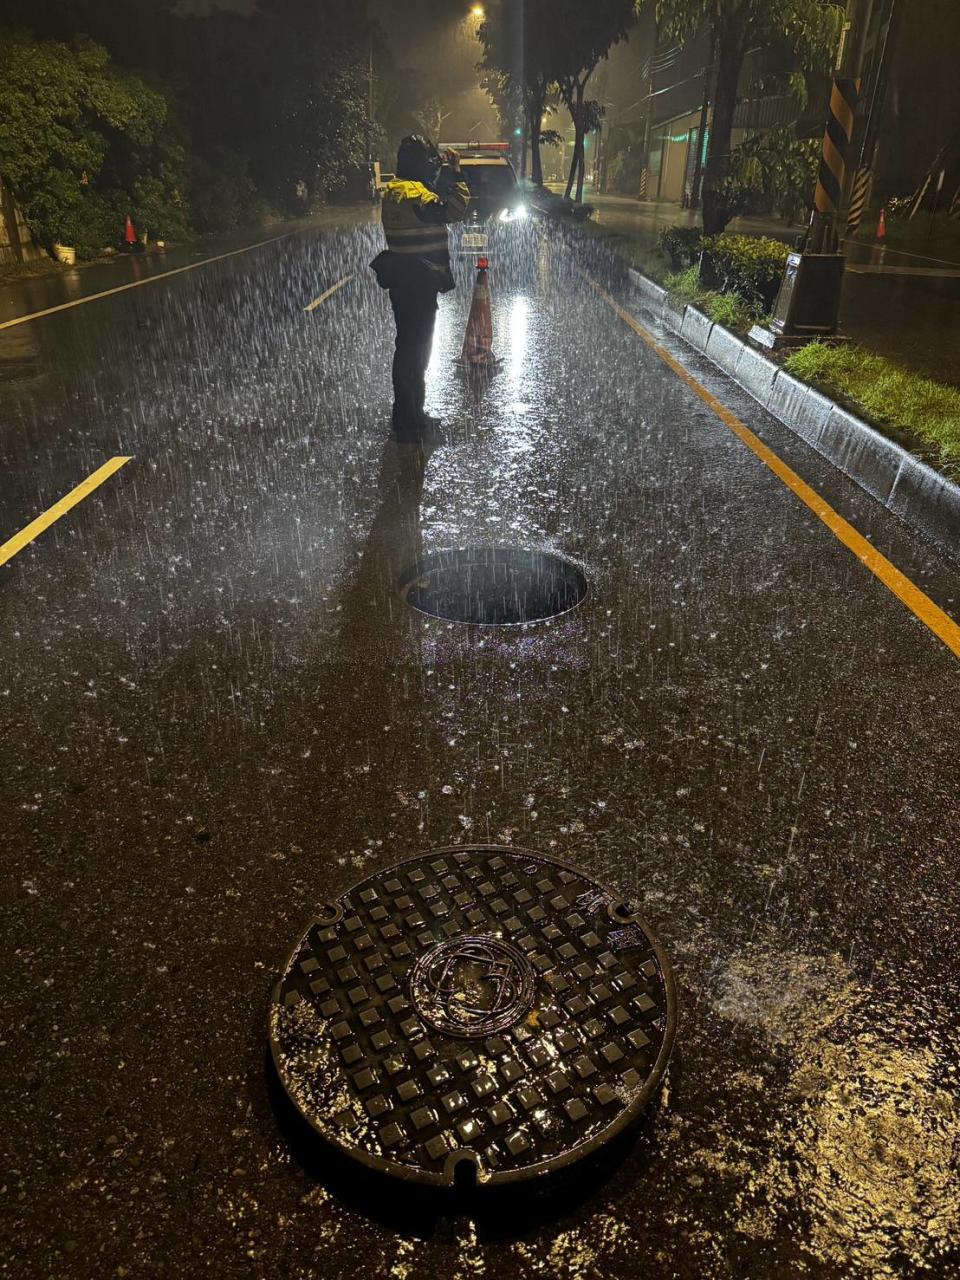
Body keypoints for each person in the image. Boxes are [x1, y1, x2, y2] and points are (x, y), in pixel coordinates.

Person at [371, 135, 470, 442]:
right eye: (430, 164)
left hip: (401, 278)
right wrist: (455, 174)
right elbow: (454, 210)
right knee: (417, 350)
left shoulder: (395, 191)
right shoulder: (416, 193)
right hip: (418, 281)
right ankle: (410, 420)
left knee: (407, 347)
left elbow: (427, 205)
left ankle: (407, 414)